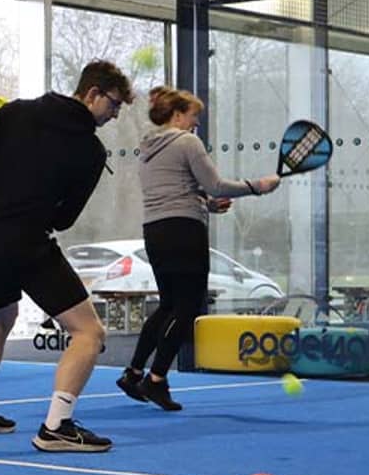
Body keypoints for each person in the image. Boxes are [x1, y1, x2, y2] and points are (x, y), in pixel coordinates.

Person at [0, 61, 132, 453]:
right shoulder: (91, 151)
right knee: (89, 333)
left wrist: (5, 166)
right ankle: (57, 426)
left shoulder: (17, 111)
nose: (115, 114)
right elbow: (64, 219)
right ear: (93, 93)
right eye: (114, 104)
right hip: (27, 242)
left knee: (2, 319)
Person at [116, 86, 280, 411]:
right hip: (183, 232)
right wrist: (258, 186)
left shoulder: (148, 149)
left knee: (168, 305)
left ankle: (133, 372)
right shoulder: (187, 142)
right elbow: (216, 184)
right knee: (186, 307)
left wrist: (206, 204)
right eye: (194, 116)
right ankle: (156, 380)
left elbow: (176, 190)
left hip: (156, 232)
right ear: (178, 115)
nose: (197, 124)